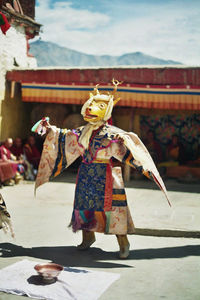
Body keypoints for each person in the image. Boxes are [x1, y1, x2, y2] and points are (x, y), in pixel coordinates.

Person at [34, 80, 170, 259]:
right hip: (85, 174)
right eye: (91, 104)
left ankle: (123, 242)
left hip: (106, 175)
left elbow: (129, 148)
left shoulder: (113, 133)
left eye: (97, 105)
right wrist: (51, 129)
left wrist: (129, 142)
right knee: (83, 207)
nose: (90, 108)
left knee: (114, 210)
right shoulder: (83, 131)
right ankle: (88, 238)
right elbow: (65, 136)